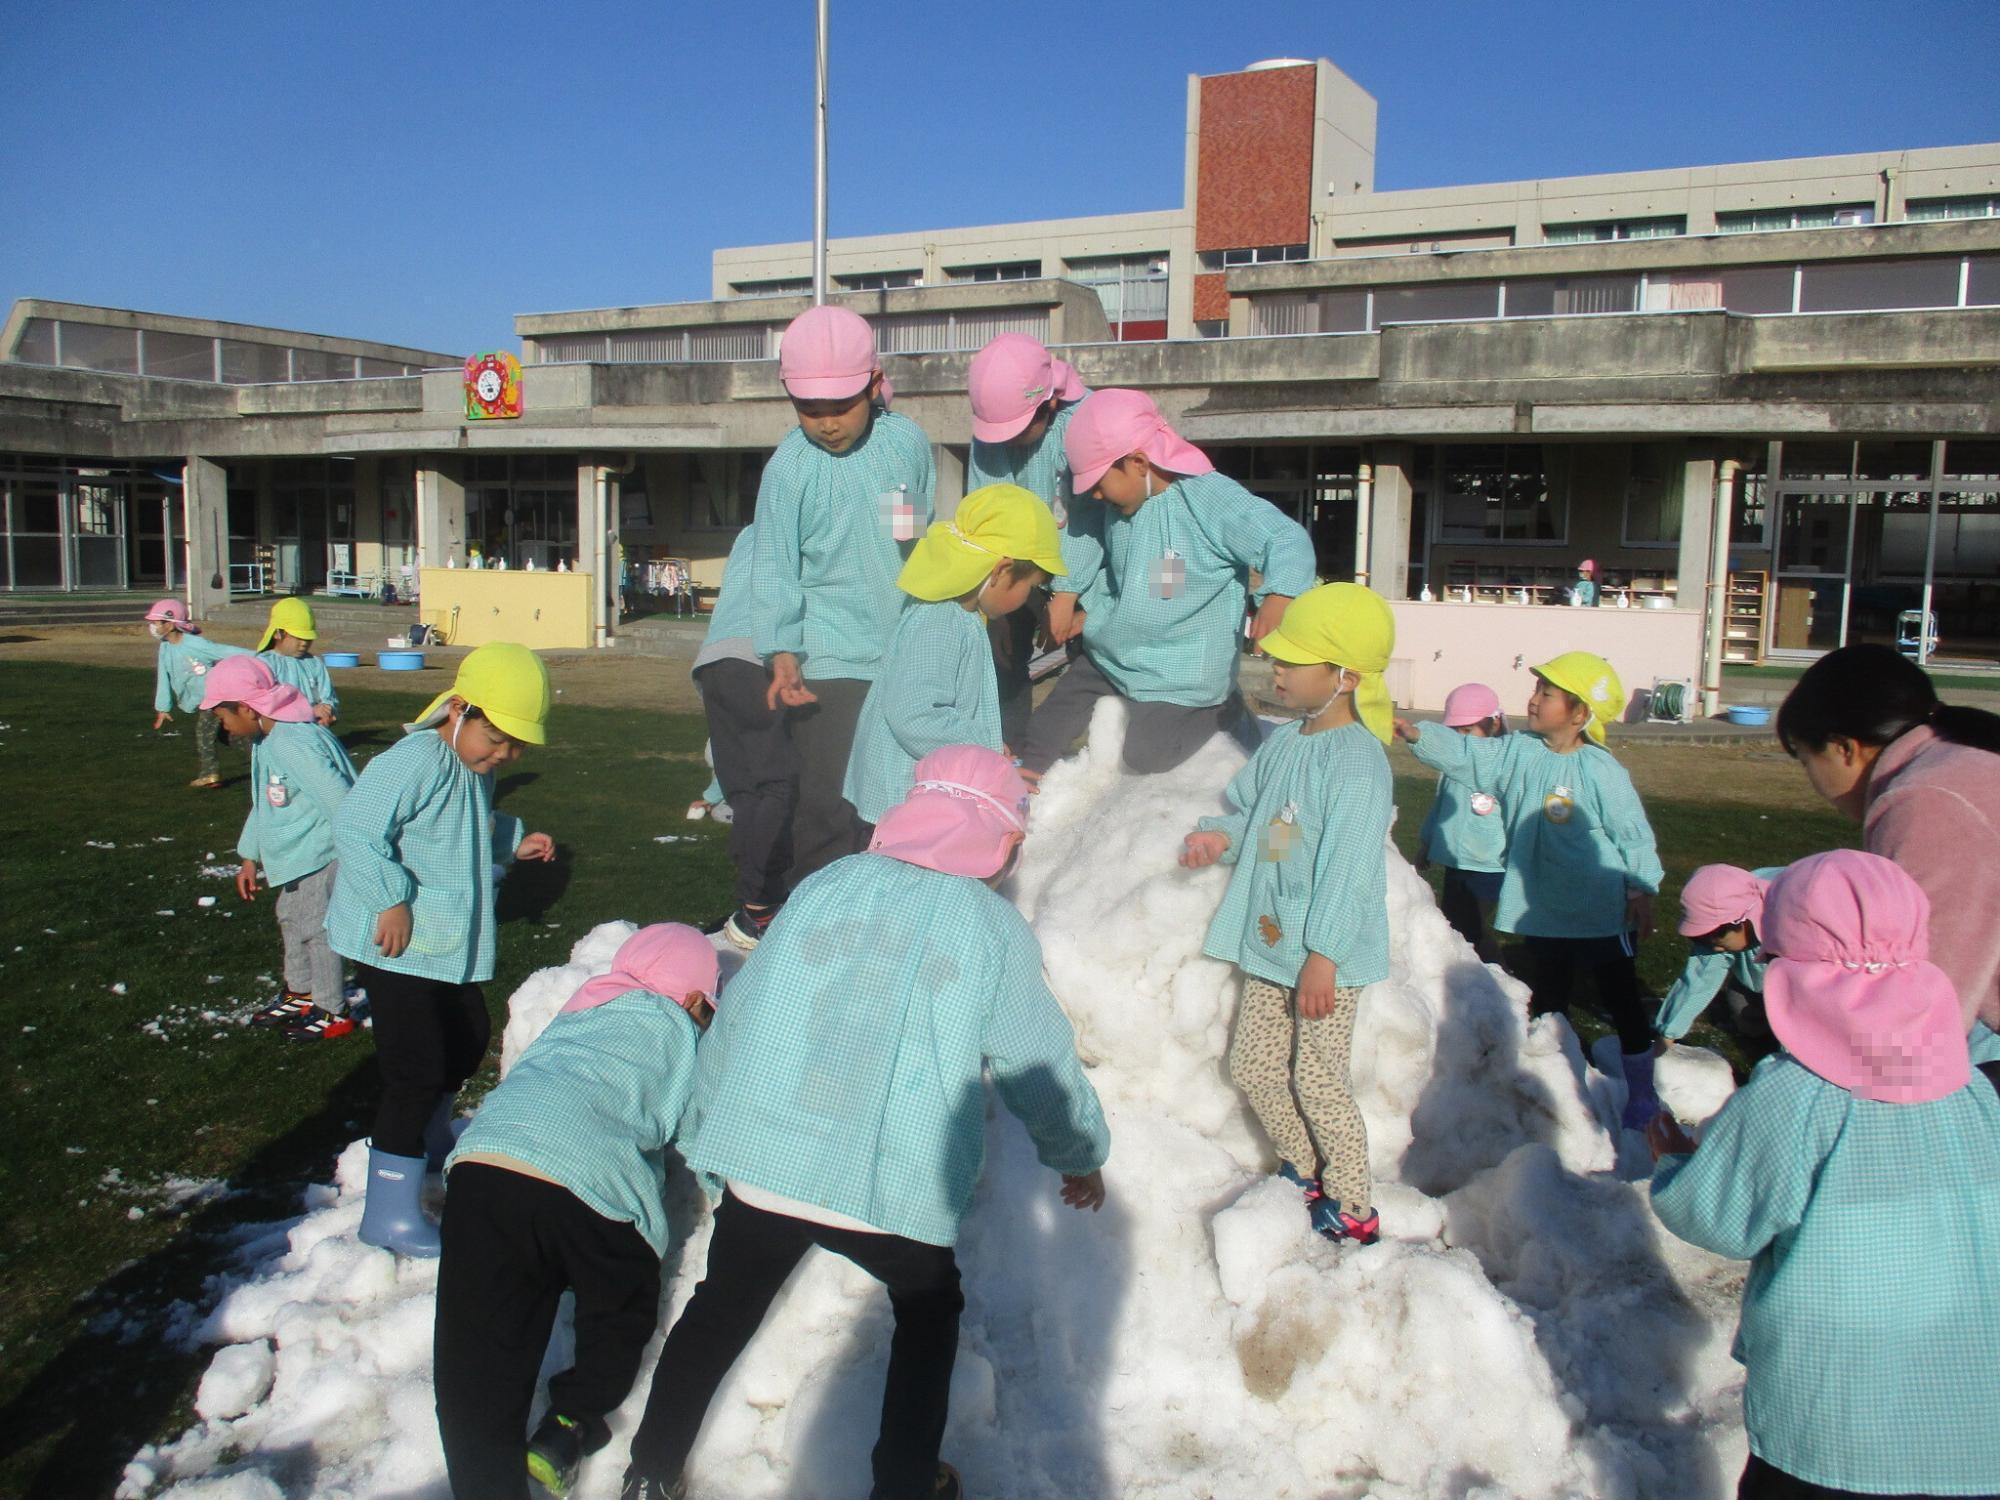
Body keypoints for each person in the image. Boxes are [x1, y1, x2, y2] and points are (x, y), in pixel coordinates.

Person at [619, 747, 1109, 1500]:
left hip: (770, 1159)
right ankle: (904, 1481)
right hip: (891, 1181)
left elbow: (745, 1013)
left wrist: (708, 1128)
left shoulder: (829, 885)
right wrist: (1076, 1150)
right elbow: (1033, 1054)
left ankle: (649, 1472)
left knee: (719, 1310)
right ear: (999, 843)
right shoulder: (989, 928)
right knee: (928, 1309)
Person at [1648, 850, 2000, 1500]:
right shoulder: (1970, 1087)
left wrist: (1674, 1162)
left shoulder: (1794, 1096)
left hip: (1835, 1413)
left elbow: (1720, 1216)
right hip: (1969, 1409)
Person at [433, 924, 720, 1500]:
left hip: (489, 1169)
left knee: (477, 1354)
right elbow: (699, 1130)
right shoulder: (683, 1036)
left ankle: (481, 1479)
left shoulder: (580, 1010)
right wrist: (714, 1188)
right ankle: (571, 1421)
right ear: (694, 999)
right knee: (617, 1314)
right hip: (596, 1191)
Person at [327, 642, 558, 1257]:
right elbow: (355, 827)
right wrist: (390, 898)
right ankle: (390, 1213)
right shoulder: (417, 760)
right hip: (395, 941)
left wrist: (513, 841)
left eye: (517, 748)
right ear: (459, 708)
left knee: (466, 1034)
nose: (505, 755)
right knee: (416, 1067)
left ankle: (426, 1145)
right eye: (498, 739)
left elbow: (467, 828)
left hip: (439, 944)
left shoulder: (471, 767)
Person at [1181, 584, 1395, 1245]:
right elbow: (1282, 833)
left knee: (1320, 1080)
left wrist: (1323, 956)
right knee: (1253, 1065)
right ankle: (1302, 1166)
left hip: (1324, 959)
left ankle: (1355, 1203)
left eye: (1293, 662)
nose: (1276, 671)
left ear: (1345, 677)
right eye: (1278, 659)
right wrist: (1226, 837)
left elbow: (1349, 870)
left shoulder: (1359, 764)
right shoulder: (1289, 742)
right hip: (1275, 946)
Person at [1395, 652, 1665, 1128]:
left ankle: (1643, 1090)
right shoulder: (1518, 751)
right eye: (1536, 689)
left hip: (1600, 908)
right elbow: (1469, 756)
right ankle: (1558, 1088)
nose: (1534, 700)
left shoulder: (1601, 771)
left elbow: (1633, 832)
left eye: (1546, 693)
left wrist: (1642, 888)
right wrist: (1418, 734)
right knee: (1551, 999)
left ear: (1579, 713)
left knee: (1620, 997)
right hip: (1543, 908)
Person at [1018, 389, 1317, 779]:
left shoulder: (1208, 499)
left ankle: (1222, 713)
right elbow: (1129, 576)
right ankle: (1021, 788)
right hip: (1113, 654)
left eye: (1098, 482)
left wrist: (1279, 597)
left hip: (1179, 671)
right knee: (1044, 728)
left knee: (1146, 756)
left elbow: (1284, 538)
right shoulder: (1122, 504)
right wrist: (1088, 608)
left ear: (1139, 462)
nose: (1094, 494)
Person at [749, 304, 936, 888]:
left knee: (900, 797)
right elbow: (775, 563)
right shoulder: (788, 470)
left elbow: (916, 537)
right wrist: (782, 651)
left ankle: (889, 905)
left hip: (902, 652)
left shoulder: (906, 442)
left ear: (875, 385)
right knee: (828, 805)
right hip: (829, 662)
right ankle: (819, 917)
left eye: (842, 406)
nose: (828, 422)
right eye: (810, 409)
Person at [1776, 642, 2000, 1085]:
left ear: (1843, 748)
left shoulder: (1927, 799)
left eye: (1806, 761)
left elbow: (1935, 990)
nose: (1813, 782)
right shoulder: (1959, 765)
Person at [842, 483, 1066, 836]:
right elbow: (915, 713)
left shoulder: (955, 613)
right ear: (1001, 570)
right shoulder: (942, 621)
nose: (1028, 598)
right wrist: (987, 750)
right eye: (1031, 587)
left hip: (911, 798)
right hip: (904, 804)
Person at [200, 656, 360, 1038]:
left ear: (247, 707)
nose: (221, 723)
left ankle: (331, 1007)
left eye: (223, 714)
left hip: (318, 856)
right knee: (292, 920)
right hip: (293, 858)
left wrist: (359, 853)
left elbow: (339, 799)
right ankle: (301, 990)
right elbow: (264, 801)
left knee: (317, 930)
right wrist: (249, 857)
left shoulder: (293, 743)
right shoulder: (268, 740)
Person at [965, 332, 1089, 749]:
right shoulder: (990, 440)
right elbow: (991, 513)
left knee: (1094, 666)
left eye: (1016, 429)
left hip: (1083, 574)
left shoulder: (1083, 425)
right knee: (1000, 658)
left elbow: (1087, 523)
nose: (1005, 441)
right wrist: (994, 607)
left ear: (1050, 402)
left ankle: (1084, 767)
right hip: (1019, 571)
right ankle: (1008, 752)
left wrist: (1068, 595)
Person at [693, 523, 795, 949]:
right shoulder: (794, 529)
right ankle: (761, 902)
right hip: (758, 654)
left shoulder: (750, 533)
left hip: (713, 661)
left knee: (744, 788)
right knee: (777, 783)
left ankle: (750, 898)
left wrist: (714, 789)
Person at [1414, 682, 1508, 963]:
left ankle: (1498, 980)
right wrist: (1427, 843)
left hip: (1488, 865)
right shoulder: (1452, 768)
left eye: (1468, 732)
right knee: (1454, 924)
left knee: (1471, 929)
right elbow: (1440, 808)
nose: (1461, 740)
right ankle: (1467, 981)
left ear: (1495, 724)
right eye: (1455, 732)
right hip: (1456, 863)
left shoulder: (1504, 765)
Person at [1656, 863, 1781, 1054]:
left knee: (1798, 1035)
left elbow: (1807, 996)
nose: (1716, 949)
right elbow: (1699, 979)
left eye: (1721, 943)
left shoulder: (1790, 924)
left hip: (1811, 984)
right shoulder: (1723, 918)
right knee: (1748, 1021)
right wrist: (1668, 1034)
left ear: (1743, 921)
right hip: (1760, 979)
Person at [146, 596, 249, 788]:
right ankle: (262, 754)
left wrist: (261, 657)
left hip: (218, 697)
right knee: (226, 736)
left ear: (170, 625)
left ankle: (210, 774)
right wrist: (163, 706)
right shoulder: (165, 648)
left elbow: (224, 651)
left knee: (203, 733)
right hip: (205, 701)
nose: (152, 626)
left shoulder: (195, 644)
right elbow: (163, 674)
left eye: (156, 622)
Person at [256, 596, 338, 725]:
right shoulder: (265, 664)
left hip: (314, 730)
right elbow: (266, 705)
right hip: (280, 733)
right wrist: (309, 711)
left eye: (308, 639)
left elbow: (327, 695)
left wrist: (327, 710)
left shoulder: (314, 663)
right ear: (278, 633)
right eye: (298, 637)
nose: (304, 643)